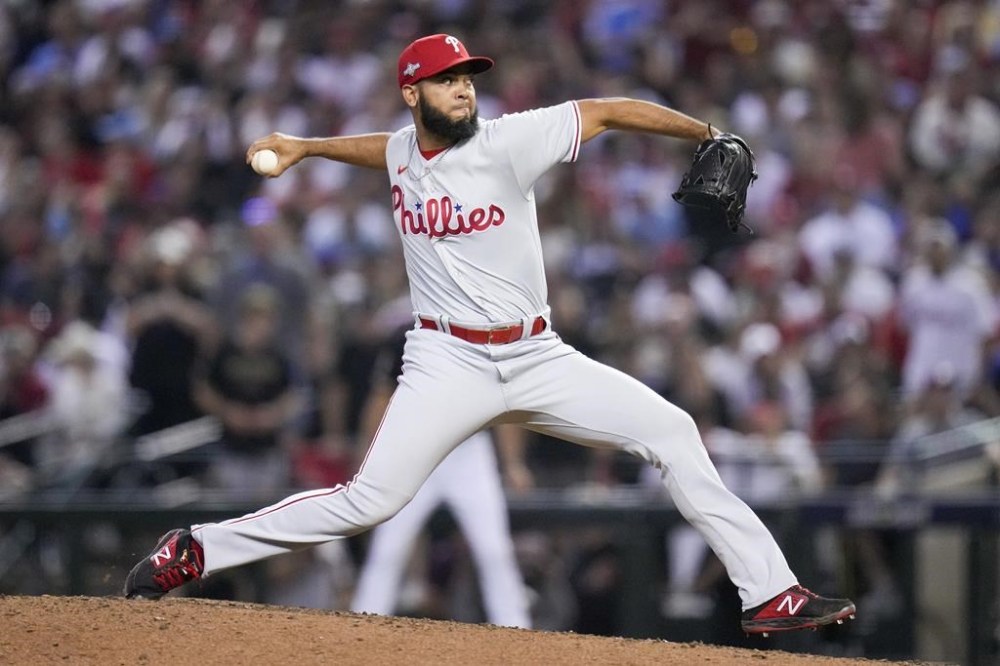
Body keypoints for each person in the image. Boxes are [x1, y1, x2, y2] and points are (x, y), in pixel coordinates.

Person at [124, 33, 855, 636]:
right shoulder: (403, 153)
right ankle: (195, 549)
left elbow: (608, 110)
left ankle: (769, 592)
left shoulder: (510, 140)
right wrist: (308, 147)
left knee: (672, 429)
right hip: (446, 361)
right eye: (446, 81)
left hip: (537, 354)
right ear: (414, 95)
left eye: (468, 77)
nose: (465, 90)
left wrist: (703, 132)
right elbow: (379, 148)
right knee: (366, 504)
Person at [350, 325, 532, 628]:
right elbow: (381, 397)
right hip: (415, 451)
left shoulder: (486, 333)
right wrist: (367, 459)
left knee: (494, 550)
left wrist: (513, 463)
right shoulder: (406, 333)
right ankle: (359, 632)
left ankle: (518, 633)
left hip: (468, 453)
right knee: (388, 550)